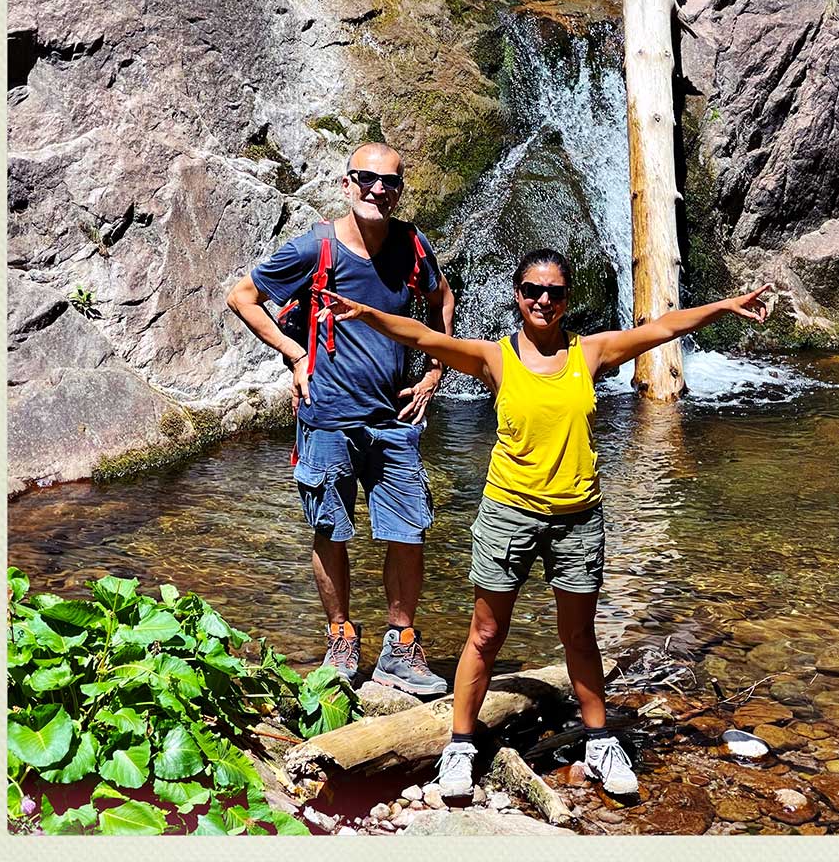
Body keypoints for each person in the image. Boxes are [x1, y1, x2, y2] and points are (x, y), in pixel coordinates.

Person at [318, 248, 770, 795]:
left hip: (578, 518)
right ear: (518, 295)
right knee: (486, 634)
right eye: (533, 290)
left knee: (578, 635)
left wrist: (725, 306)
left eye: (554, 292)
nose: (543, 300)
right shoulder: (496, 358)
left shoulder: (591, 352)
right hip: (507, 513)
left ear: (567, 299)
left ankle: (599, 741)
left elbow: (664, 327)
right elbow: (422, 337)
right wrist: (367, 314)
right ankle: (460, 746)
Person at [226, 142, 455, 696]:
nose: (378, 189)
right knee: (331, 529)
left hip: (394, 418)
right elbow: (242, 297)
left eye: (390, 182)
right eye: (367, 179)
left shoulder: (412, 245)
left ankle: (400, 646)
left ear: (400, 190)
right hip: (327, 417)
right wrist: (295, 354)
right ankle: (341, 637)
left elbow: (442, 298)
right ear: (347, 183)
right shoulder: (315, 247)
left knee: (408, 531)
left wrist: (434, 370)